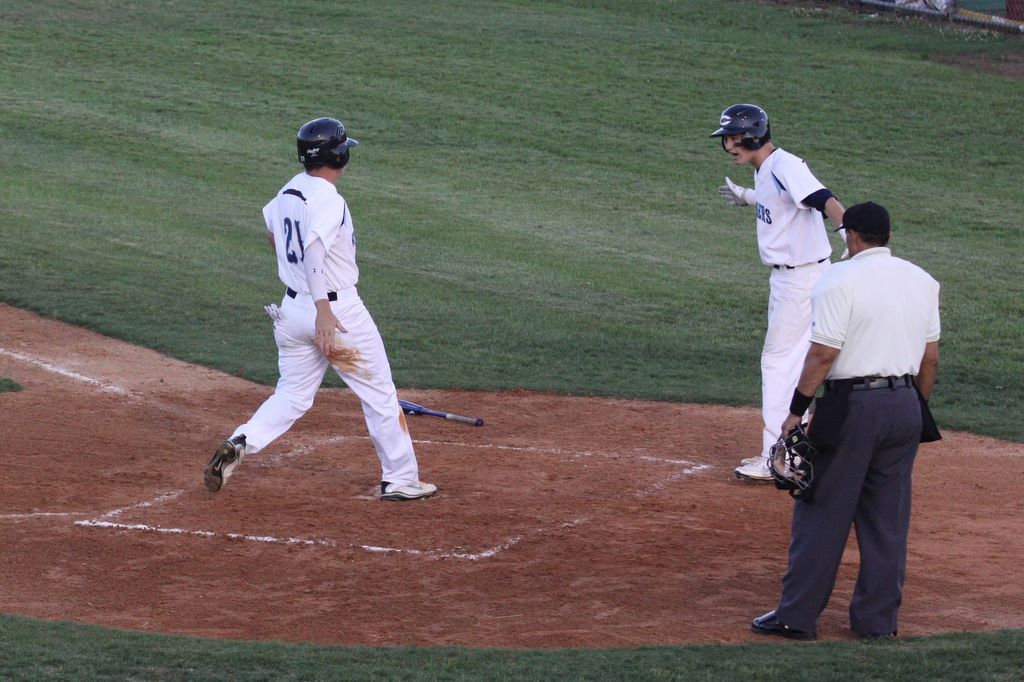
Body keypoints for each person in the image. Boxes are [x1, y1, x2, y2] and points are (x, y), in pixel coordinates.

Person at [204, 117, 437, 502]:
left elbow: (273, 234)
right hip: (335, 311)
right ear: (338, 156)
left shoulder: (288, 190)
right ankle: (400, 479)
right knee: (379, 394)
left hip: (290, 311)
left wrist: (299, 278)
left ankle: (241, 440)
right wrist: (324, 311)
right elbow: (313, 252)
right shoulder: (328, 199)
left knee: (292, 394)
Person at [752, 201, 941, 640]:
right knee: (887, 521)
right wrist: (913, 406)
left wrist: (795, 412)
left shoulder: (838, 278)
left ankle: (796, 617)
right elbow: (929, 359)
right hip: (906, 406)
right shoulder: (922, 280)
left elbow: (823, 354)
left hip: (852, 407)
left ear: (852, 235)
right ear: (887, 236)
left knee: (821, 510)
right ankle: (877, 623)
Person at [710, 104, 846, 481]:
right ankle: (796, 451)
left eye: (734, 139)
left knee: (777, 363)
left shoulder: (786, 165)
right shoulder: (769, 169)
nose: (728, 146)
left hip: (800, 281)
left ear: (752, 135)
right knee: (796, 363)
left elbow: (824, 198)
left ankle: (776, 456)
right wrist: (748, 197)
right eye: (726, 140)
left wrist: (848, 235)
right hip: (795, 278)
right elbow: (781, 200)